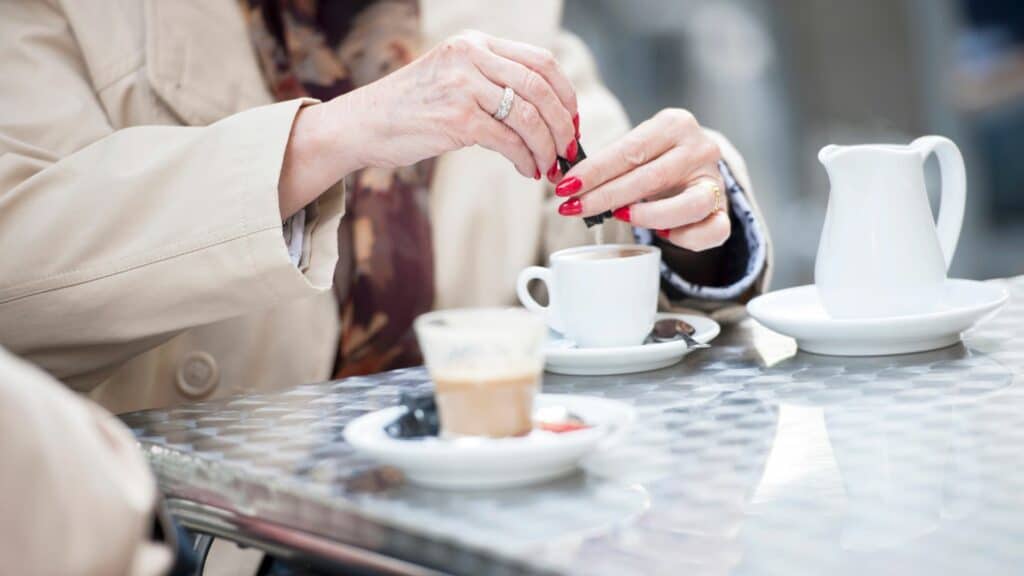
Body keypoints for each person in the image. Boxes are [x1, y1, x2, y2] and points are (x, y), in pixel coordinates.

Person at [0, 1, 769, 572]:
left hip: (498, 528)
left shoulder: (507, 15)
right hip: (205, 541)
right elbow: (18, 266)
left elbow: (596, 220)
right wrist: (326, 139)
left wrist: (689, 219)